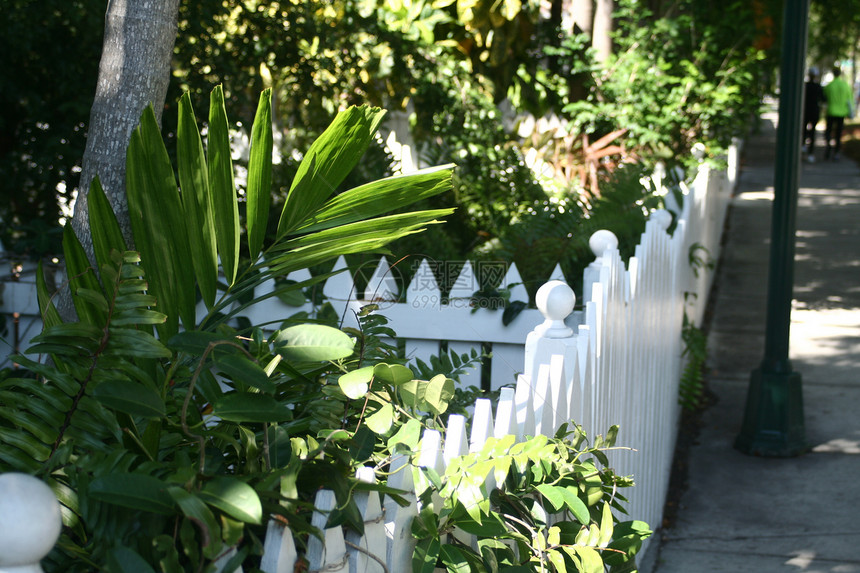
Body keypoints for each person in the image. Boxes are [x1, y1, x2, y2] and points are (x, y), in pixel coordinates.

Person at [823, 66, 854, 161]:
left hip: (831, 111)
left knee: (828, 131)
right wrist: (850, 113)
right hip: (841, 113)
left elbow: (825, 99)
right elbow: (850, 100)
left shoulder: (829, 86)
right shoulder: (845, 86)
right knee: (838, 133)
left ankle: (829, 145)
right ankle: (836, 152)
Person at [803, 67, 825, 162]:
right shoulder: (818, 87)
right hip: (814, 112)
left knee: (804, 129)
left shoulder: (805, 86)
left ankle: (803, 145)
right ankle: (810, 152)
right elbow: (823, 99)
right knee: (812, 133)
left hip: (805, 111)